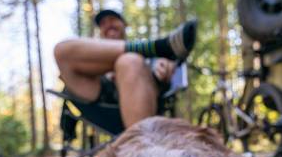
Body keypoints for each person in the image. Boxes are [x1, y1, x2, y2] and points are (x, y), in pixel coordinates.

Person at [53, 9, 196, 128]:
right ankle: (160, 47)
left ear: (124, 24)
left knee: (129, 60)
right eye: (103, 23)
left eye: (112, 19)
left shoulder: (150, 59)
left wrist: (165, 64)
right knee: (61, 50)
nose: (108, 25)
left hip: (142, 97)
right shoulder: (87, 54)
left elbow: (167, 69)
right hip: (100, 102)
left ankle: (140, 147)